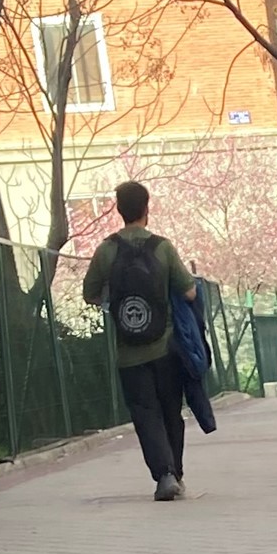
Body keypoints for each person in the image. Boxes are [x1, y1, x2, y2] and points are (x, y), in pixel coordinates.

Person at [81, 180, 196, 501]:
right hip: (167, 347)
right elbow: (189, 291)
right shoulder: (162, 247)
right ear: (147, 209)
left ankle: (163, 474)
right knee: (171, 410)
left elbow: (89, 293)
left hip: (128, 352)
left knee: (145, 414)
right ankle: (177, 473)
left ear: (119, 210)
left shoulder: (106, 250)